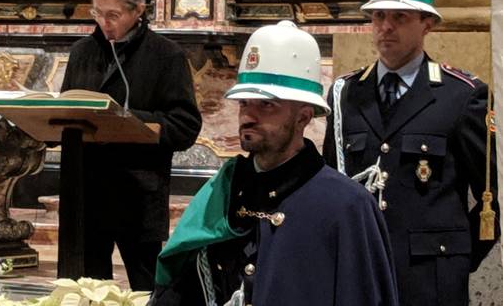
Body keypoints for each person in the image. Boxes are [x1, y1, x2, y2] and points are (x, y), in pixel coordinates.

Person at [150, 21, 399, 306]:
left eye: (266, 105)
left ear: (303, 117)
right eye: (245, 102)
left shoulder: (347, 206)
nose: (248, 115)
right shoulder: (225, 192)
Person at [323, 0, 499, 306]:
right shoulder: (345, 95)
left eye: (399, 16)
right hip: (360, 274)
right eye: (378, 16)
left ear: (426, 23)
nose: (385, 27)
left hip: (430, 282)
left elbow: (491, 202)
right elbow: (331, 188)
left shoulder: (462, 97)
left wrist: (451, 260)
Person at [61, 0, 202, 291]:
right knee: (83, 292)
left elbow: (185, 125)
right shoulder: (82, 52)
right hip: (85, 193)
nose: (104, 23)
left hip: (136, 193)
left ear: (138, 11)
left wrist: (128, 120)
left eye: (113, 15)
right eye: (98, 14)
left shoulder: (166, 56)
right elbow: (68, 108)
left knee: (148, 290)